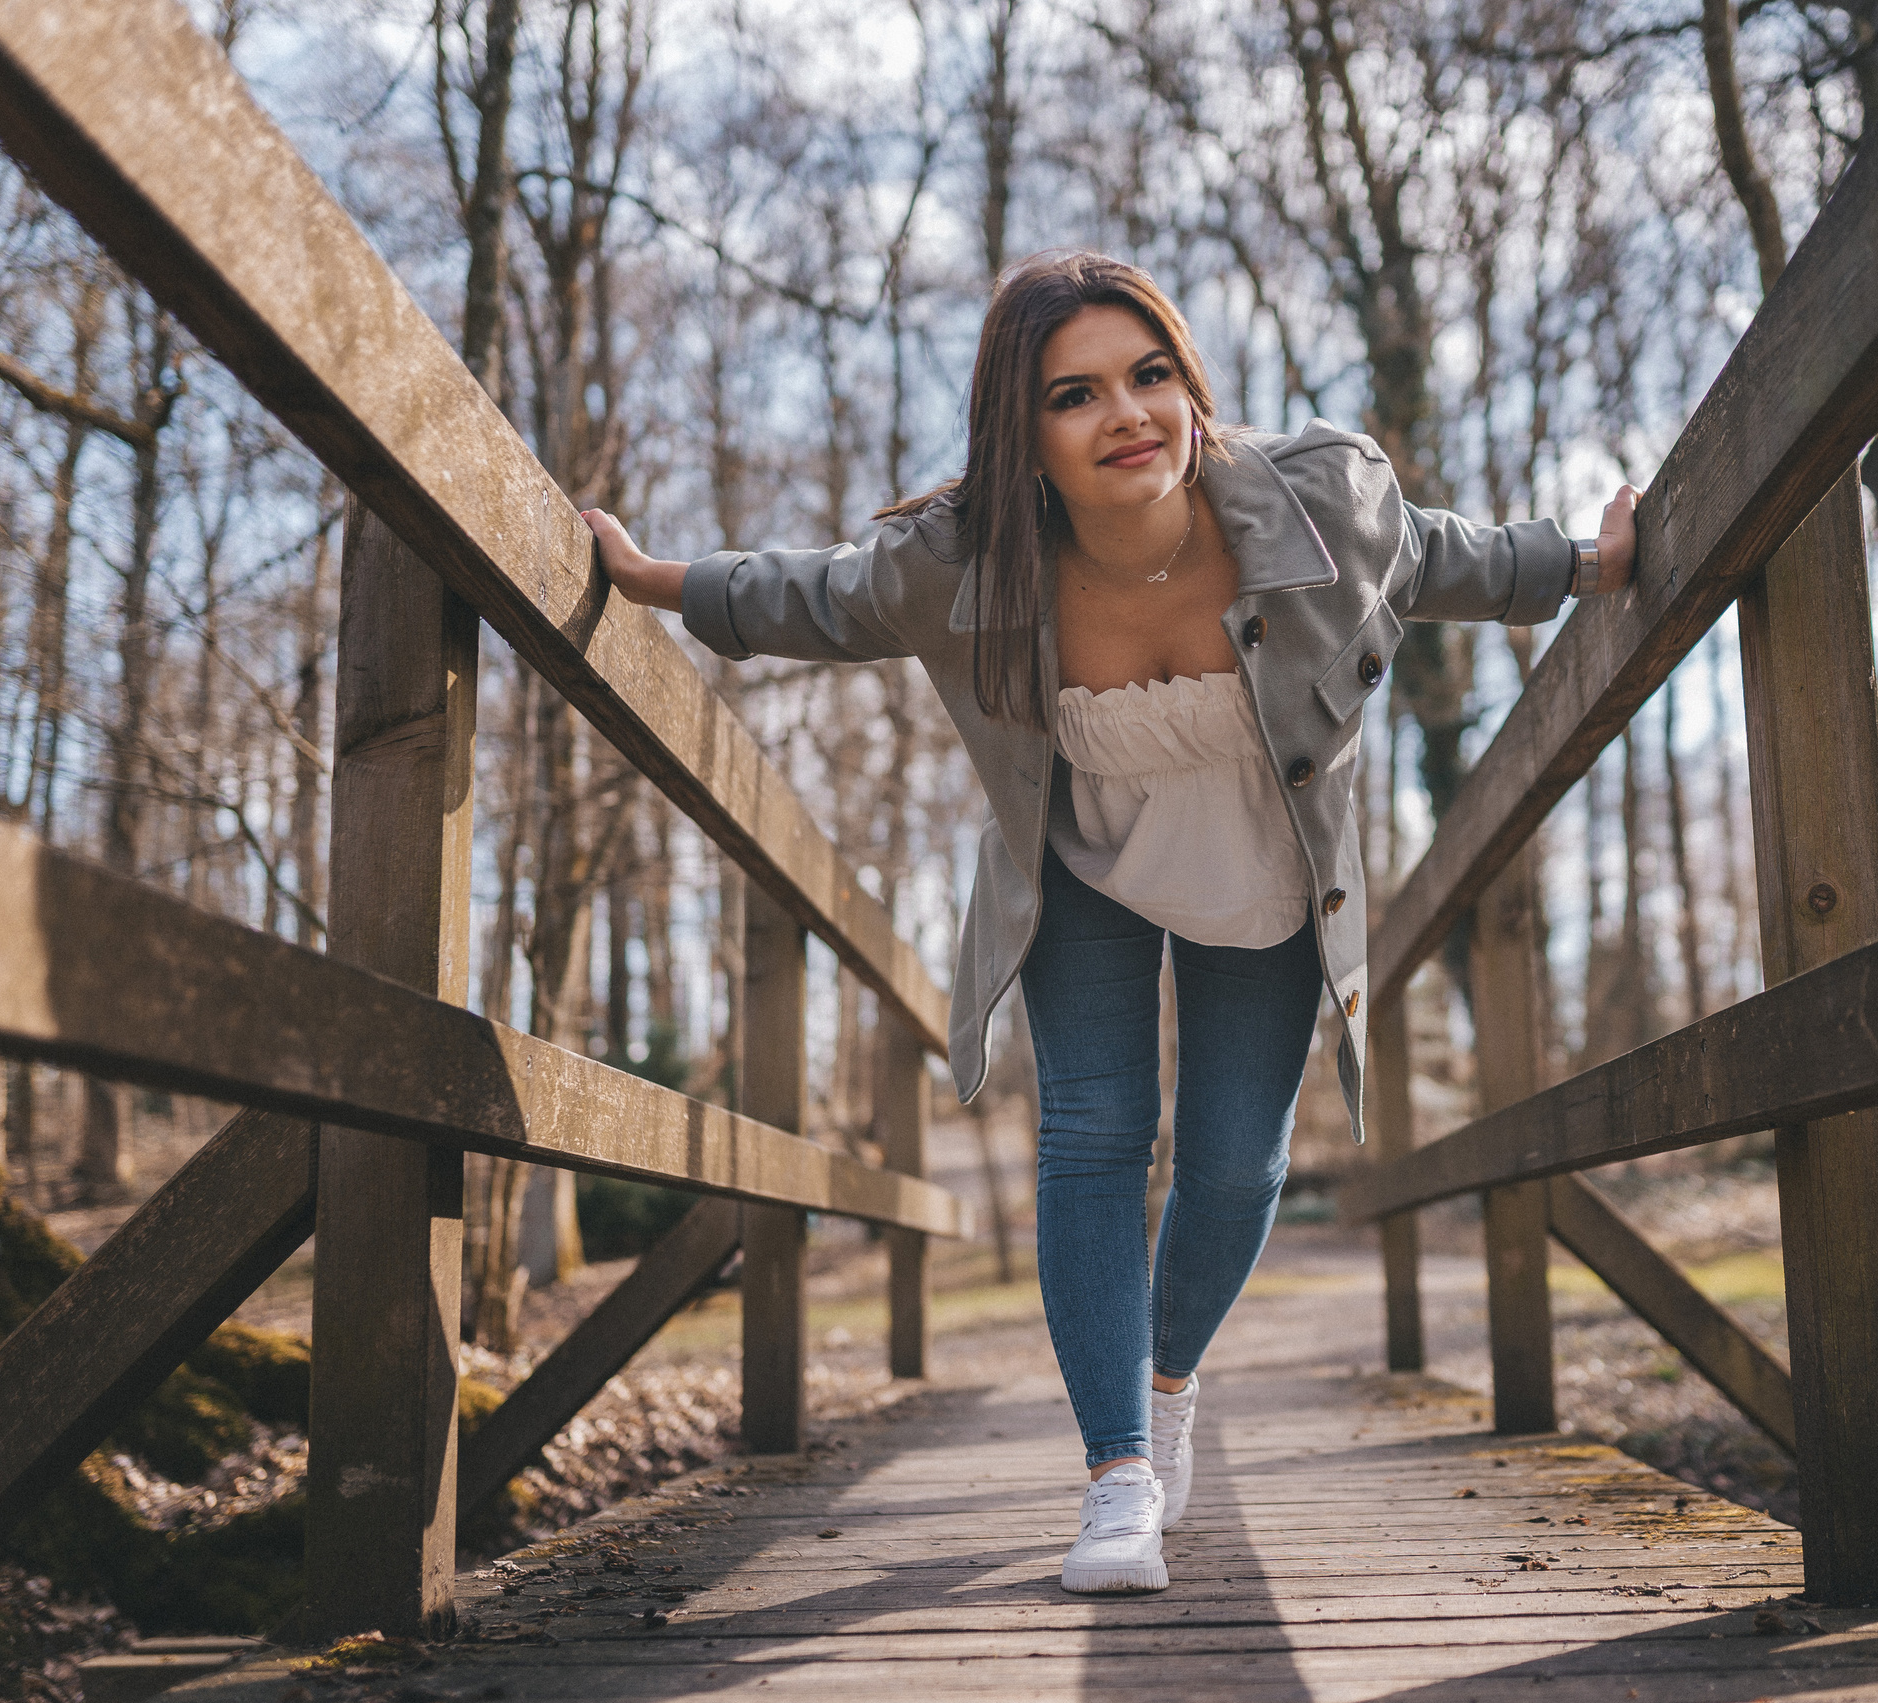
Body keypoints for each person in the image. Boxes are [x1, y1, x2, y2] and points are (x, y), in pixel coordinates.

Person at [587, 249, 1638, 1596]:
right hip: (1081, 856)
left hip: (1266, 848)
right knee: (1091, 1138)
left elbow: (1435, 554)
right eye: (1075, 394)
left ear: (1190, 385)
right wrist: (655, 579)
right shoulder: (963, 561)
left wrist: (1589, 564)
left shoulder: (1318, 498)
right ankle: (1118, 1475)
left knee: (1235, 1170)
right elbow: (821, 598)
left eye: (1149, 376)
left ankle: (1169, 1372)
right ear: (1023, 434)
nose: (1126, 415)